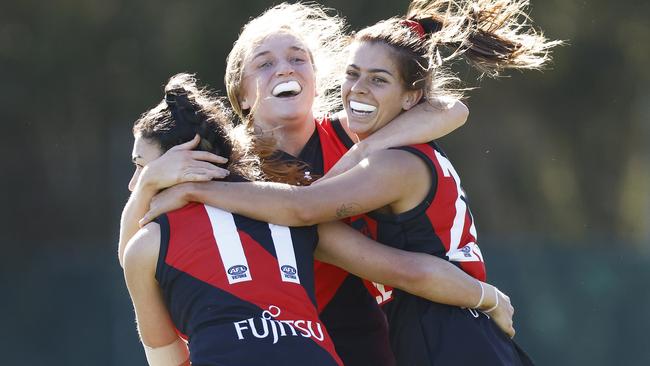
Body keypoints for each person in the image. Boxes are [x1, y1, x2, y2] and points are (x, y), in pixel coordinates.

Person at [140, 1, 560, 365]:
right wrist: (145, 188)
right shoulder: (228, 166)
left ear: (317, 78)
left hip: (378, 325)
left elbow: (451, 108)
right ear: (242, 93)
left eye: (297, 57)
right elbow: (142, 248)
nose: (283, 68)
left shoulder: (354, 136)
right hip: (278, 338)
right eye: (264, 63)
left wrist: (360, 153)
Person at [123, 73, 511, 366]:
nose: (132, 183)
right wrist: (489, 297)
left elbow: (164, 353)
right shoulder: (286, 215)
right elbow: (410, 271)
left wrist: (149, 192)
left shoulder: (148, 244)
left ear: (183, 162)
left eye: (141, 167)